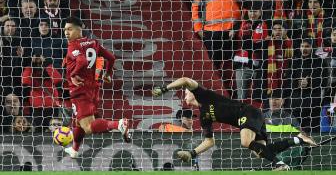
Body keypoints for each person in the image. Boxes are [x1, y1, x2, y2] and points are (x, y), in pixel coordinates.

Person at [152, 77, 317, 170]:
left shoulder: (203, 95)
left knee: (246, 142)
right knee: (260, 151)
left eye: (186, 92)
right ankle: (299, 139)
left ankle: (279, 164)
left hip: (247, 112)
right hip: (252, 118)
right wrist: (192, 153)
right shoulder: (203, 116)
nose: (185, 94)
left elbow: (185, 80)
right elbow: (210, 141)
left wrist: (164, 88)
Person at [62, 16, 131, 158]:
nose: (66, 33)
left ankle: (118, 124)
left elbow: (81, 60)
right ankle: (75, 149)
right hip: (93, 89)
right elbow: (111, 58)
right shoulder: (93, 42)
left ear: (79, 29)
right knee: (79, 122)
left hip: (79, 90)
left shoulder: (73, 46)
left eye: (69, 29)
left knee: (88, 126)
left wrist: (74, 75)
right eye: (65, 30)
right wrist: (108, 73)